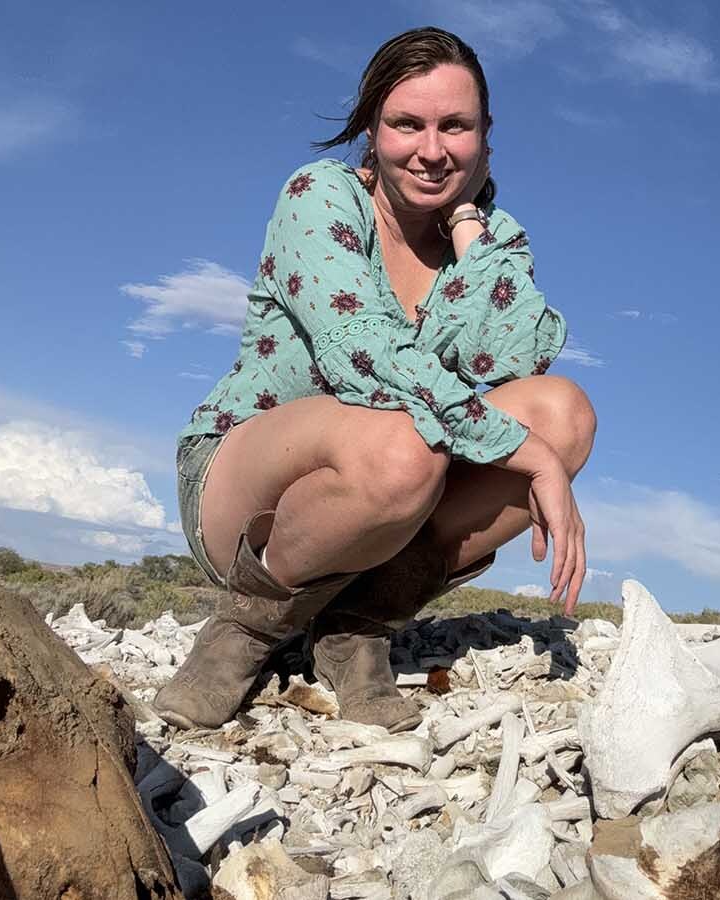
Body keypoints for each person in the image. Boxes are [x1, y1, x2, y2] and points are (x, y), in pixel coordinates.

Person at [153, 26, 596, 734]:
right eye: (406, 124)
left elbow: (516, 359)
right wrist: (529, 456)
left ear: (485, 137)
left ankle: (355, 625)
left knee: (564, 413)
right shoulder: (320, 195)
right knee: (403, 448)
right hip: (250, 484)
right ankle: (247, 628)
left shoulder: (494, 237)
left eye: (456, 126)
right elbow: (363, 353)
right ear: (370, 127)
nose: (431, 149)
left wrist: (464, 222)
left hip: (402, 477)